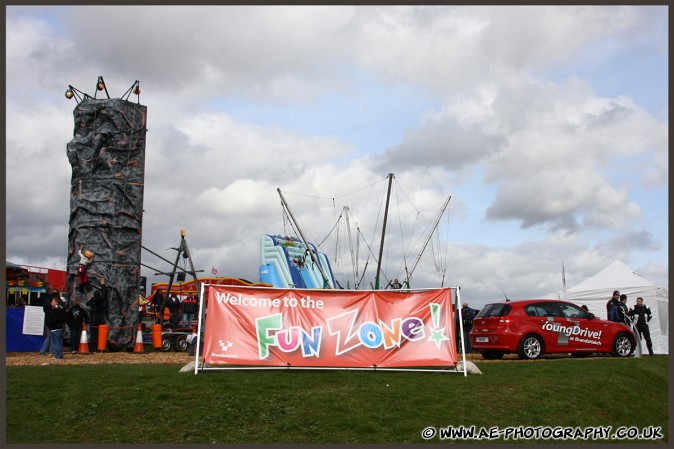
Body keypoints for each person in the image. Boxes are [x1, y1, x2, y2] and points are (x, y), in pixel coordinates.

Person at [87, 284, 109, 352]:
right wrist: (102, 285)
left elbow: (87, 303)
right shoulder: (102, 300)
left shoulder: (93, 300)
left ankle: (93, 348)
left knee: (93, 335)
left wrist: (90, 298)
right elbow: (105, 294)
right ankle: (100, 349)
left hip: (93, 320)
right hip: (101, 320)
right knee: (100, 336)